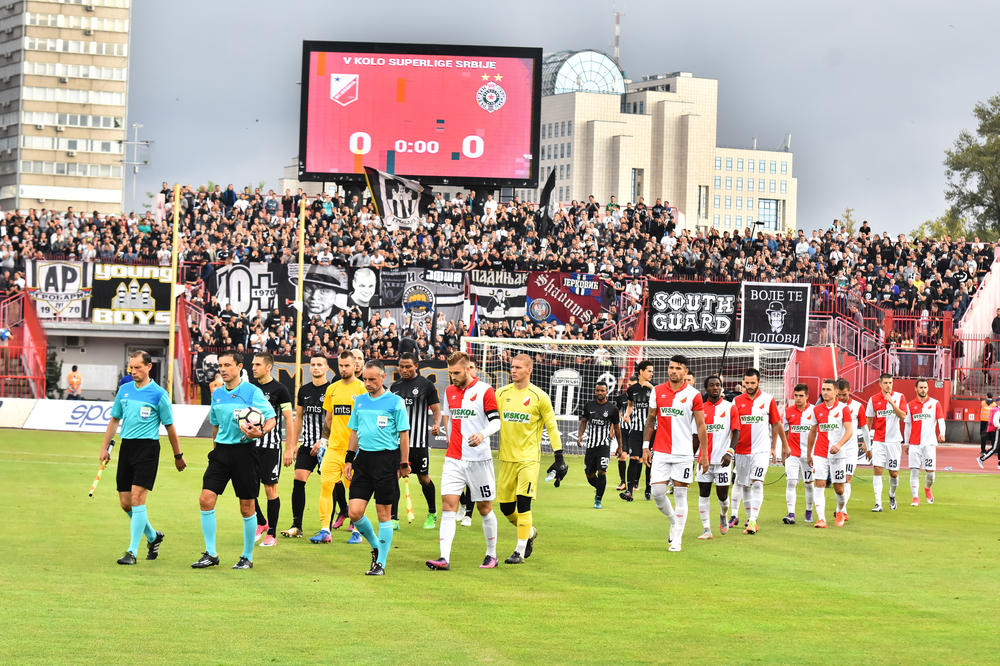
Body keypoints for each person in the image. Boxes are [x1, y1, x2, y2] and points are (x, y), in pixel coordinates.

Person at [192, 350, 276, 569]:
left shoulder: (252, 392)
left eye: (227, 365)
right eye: (221, 365)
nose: (222, 369)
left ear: (239, 367)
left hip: (245, 453)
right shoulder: (217, 394)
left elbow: (271, 419)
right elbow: (216, 426)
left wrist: (261, 432)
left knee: (247, 507)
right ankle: (211, 554)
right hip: (221, 453)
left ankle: (246, 556)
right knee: (205, 499)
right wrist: (215, 450)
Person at [101, 350, 185, 565]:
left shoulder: (159, 394)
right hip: (127, 448)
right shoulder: (125, 389)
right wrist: (105, 448)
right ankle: (153, 536)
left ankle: (132, 552)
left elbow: (170, 427)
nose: (133, 371)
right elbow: (114, 420)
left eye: (138, 367)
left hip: (147, 449)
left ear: (149, 367)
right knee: (125, 503)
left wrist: (178, 455)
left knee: (138, 498)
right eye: (131, 367)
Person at [426, 352, 501, 570]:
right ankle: (444, 558)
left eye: (457, 373)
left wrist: (482, 434)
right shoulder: (450, 391)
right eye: (450, 373)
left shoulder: (485, 390)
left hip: (478, 459)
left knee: (484, 508)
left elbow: (496, 422)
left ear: (469, 369)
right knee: (448, 506)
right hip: (454, 459)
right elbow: (450, 418)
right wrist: (450, 439)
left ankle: (491, 554)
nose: (453, 377)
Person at [495, 353, 565, 565]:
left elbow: (552, 427)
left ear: (529, 370)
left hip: (528, 460)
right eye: (512, 366)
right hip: (506, 459)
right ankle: (530, 532)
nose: (513, 370)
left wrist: (559, 456)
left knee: (524, 504)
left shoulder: (539, 396)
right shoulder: (501, 394)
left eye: (517, 367)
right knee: (506, 508)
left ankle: (519, 550)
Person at [343, 360, 411, 575]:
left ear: (383, 378)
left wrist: (404, 463)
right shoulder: (360, 401)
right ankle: (375, 545)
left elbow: (403, 434)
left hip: (386, 461)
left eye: (372, 379)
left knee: (384, 514)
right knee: (354, 512)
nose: (368, 383)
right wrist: (348, 458)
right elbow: (353, 431)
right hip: (363, 461)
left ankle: (380, 563)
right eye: (365, 379)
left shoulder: (395, 402)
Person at [642, 355, 708, 552]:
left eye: (678, 368)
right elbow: (651, 419)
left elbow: (701, 425)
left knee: (680, 495)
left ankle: (677, 539)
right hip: (660, 451)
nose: (674, 371)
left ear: (685, 372)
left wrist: (703, 453)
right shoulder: (658, 391)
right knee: (657, 493)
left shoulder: (694, 395)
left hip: (683, 453)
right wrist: (646, 446)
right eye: (671, 367)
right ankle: (673, 521)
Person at [312, 350, 367, 544]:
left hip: (354, 451)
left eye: (347, 366)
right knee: (326, 487)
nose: (343, 369)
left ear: (355, 366)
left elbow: (365, 421)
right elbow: (329, 419)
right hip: (333, 449)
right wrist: (324, 441)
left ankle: (358, 532)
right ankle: (325, 530)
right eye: (341, 365)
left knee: (355, 492)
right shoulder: (332, 389)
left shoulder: (361, 388)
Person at [390, 352, 443, 530]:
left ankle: (432, 513)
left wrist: (437, 424)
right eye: (401, 366)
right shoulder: (394, 387)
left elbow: (436, 409)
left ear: (416, 366)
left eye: (408, 366)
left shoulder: (426, 385)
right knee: (394, 478)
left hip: (419, 443)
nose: (404, 370)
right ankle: (394, 518)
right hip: (397, 443)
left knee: (423, 478)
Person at [732, 368, 787, 534]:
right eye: (746, 383)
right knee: (744, 485)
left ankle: (753, 519)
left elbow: (776, 424)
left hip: (761, 450)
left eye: (752, 383)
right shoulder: (736, 401)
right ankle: (749, 518)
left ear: (759, 382)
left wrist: (779, 446)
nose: (749, 386)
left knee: (757, 482)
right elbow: (733, 427)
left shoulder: (768, 399)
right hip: (741, 450)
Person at [281, 355, 330, 538]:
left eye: (320, 365)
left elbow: (332, 420)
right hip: (307, 444)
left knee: (332, 486)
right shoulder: (304, 390)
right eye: (313, 365)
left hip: (327, 445)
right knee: (299, 479)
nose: (316, 368)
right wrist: (292, 445)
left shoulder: (332, 390)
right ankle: (297, 526)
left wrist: (324, 440)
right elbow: (299, 417)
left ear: (326, 368)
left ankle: (338, 517)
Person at [249, 352, 293, 547]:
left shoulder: (280, 390)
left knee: (270, 489)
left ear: (268, 367)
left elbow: (289, 420)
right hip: (249, 446)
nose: (253, 367)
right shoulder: (249, 389)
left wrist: (290, 448)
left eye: (258, 364)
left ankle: (272, 534)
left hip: (271, 447)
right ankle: (261, 522)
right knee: (248, 489)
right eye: (252, 364)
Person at [806, 379, 854, 529]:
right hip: (820, 453)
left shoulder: (843, 409)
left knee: (839, 488)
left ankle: (840, 511)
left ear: (835, 393)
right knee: (819, 483)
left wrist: (839, 445)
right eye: (823, 389)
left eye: (828, 389)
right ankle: (821, 519)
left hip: (838, 455)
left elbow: (849, 431)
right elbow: (813, 432)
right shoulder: (816, 410)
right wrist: (809, 453)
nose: (825, 392)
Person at [696, 375, 739, 540]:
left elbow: (736, 431)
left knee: (723, 497)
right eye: (712, 385)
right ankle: (706, 529)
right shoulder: (699, 409)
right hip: (704, 459)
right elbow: (695, 435)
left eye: (718, 385)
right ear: (706, 389)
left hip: (723, 461)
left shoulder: (730, 408)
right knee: (703, 493)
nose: (715, 388)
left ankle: (723, 514)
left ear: (721, 388)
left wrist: (730, 452)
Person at [576, 380, 623, 509]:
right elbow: (584, 422)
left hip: (604, 445)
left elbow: (617, 428)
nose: (600, 393)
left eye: (602, 390)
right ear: (595, 391)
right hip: (591, 446)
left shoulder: (612, 409)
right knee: (589, 475)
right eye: (598, 390)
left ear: (607, 392)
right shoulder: (589, 406)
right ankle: (600, 488)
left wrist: (620, 446)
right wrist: (580, 435)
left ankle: (598, 499)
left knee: (602, 472)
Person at [866, 373, 907, 512]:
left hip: (894, 441)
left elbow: (903, 416)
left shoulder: (899, 397)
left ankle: (892, 494)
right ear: (880, 384)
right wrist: (867, 442)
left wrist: (891, 402)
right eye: (885, 383)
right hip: (878, 440)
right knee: (877, 469)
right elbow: (869, 421)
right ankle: (878, 503)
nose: (888, 385)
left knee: (894, 473)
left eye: (890, 382)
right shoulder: (873, 400)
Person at [903, 378, 945, 507]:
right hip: (915, 444)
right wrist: (906, 443)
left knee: (930, 474)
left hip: (929, 444)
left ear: (928, 388)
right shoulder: (910, 405)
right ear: (916, 389)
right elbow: (908, 426)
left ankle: (927, 488)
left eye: (925, 387)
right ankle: (915, 498)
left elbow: (941, 420)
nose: (923, 390)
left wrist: (942, 433)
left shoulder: (935, 403)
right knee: (914, 471)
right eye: (920, 387)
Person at [836, 378, 870, 522]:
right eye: (839, 395)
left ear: (849, 391)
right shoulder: (831, 408)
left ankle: (841, 510)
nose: (842, 398)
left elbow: (864, 428)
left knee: (847, 479)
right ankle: (841, 508)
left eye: (844, 394)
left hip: (850, 449)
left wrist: (869, 447)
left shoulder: (857, 407)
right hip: (835, 449)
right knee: (838, 483)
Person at [781, 384, 815, 524]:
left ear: (807, 396)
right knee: (791, 482)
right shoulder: (788, 412)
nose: (798, 399)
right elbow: (784, 432)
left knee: (809, 484)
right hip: (792, 454)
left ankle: (808, 512)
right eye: (796, 396)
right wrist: (784, 449)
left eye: (801, 396)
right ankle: (791, 514)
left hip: (809, 455)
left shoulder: (814, 411)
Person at [621, 361, 654, 501]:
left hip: (651, 430)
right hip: (635, 429)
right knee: (634, 459)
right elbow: (630, 405)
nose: (651, 374)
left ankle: (648, 489)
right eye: (649, 371)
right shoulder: (631, 390)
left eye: (652, 371)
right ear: (641, 371)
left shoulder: (655, 389)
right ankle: (629, 491)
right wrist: (627, 414)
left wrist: (652, 387)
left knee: (649, 461)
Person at [613, 376, 635, 492]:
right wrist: (612, 431)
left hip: (636, 430)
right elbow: (616, 415)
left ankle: (635, 483)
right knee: (622, 456)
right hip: (624, 430)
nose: (630, 387)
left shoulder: (641, 397)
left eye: (633, 385)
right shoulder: (621, 398)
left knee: (636, 458)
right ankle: (623, 482)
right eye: (629, 385)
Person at [977, 402, 1000, 468]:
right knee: (995, 448)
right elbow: (995, 422)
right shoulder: (998, 411)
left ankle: (999, 463)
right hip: (998, 430)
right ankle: (981, 459)